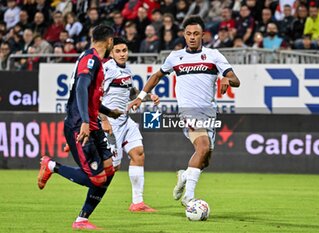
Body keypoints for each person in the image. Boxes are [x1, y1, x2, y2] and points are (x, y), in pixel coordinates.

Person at [128, 16, 240, 207]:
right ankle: (189, 197)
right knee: (203, 147)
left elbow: (235, 79)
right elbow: (156, 76)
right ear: (184, 35)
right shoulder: (176, 56)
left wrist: (227, 80)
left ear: (203, 35)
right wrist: (141, 96)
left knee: (205, 159)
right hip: (188, 112)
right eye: (188, 34)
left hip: (209, 114)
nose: (192, 37)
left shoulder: (214, 55)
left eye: (196, 34)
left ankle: (185, 175)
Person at [37, 25, 122, 230]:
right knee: (97, 177)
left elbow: (90, 96)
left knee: (109, 170)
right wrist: (84, 121)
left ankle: (82, 219)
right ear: (110, 42)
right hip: (79, 125)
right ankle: (51, 166)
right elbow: (81, 88)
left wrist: (108, 113)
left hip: (93, 124)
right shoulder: (91, 59)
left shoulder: (95, 60)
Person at [101, 37, 159, 212]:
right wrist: (103, 120)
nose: (122, 54)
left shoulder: (127, 69)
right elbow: (94, 98)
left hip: (125, 121)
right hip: (111, 123)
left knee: (138, 154)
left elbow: (131, 92)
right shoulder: (106, 70)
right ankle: (55, 168)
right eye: (118, 51)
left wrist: (148, 97)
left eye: (124, 50)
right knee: (111, 168)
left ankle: (137, 203)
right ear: (111, 53)